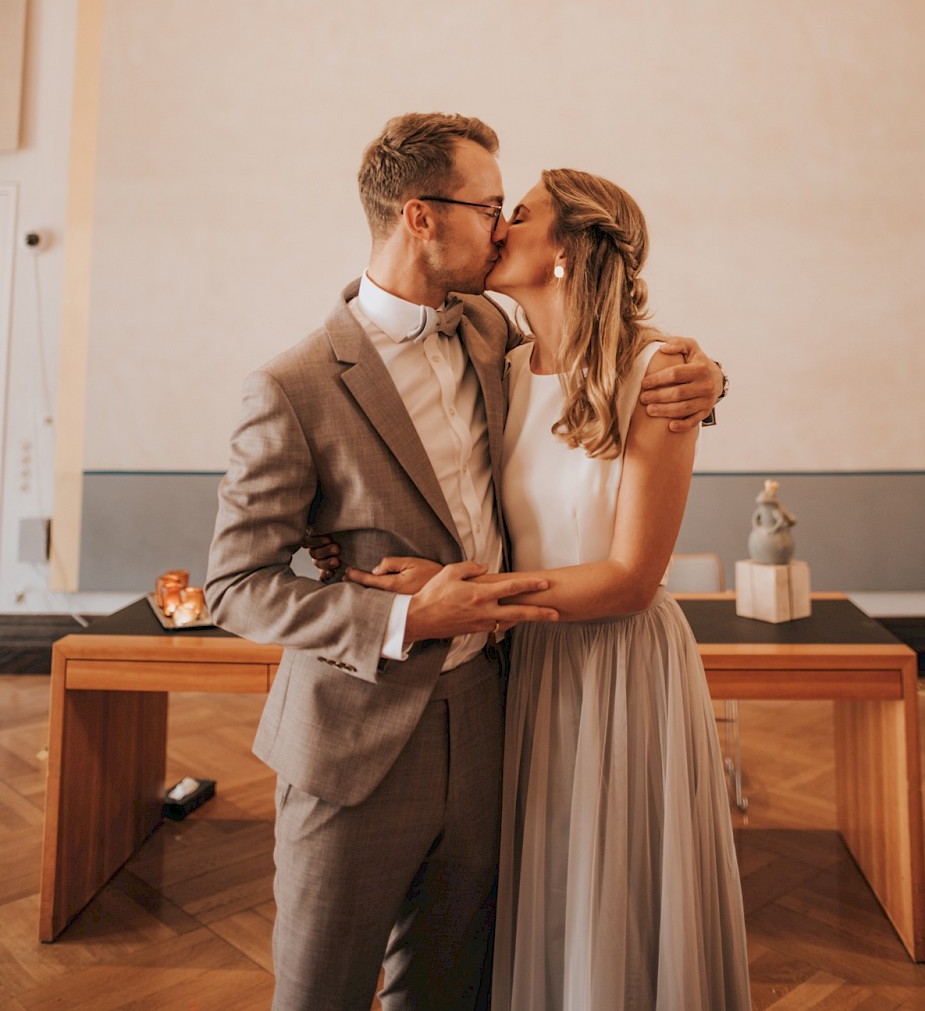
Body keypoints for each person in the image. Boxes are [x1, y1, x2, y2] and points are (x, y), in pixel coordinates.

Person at [205, 113, 724, 1011]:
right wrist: (400, 615)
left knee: (453, 987)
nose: (498, 224)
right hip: (355, 734)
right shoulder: (293, 384)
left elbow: (612, 369)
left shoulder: (493, 335)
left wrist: (709, 378)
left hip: (496, 715)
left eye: (510, 209)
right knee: (319, 989)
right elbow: (233, 585)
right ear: (420, 215)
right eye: (490, 205)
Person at [340, 167, 751, 1010]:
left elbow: (632, 579)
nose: (496, 228)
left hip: (620, 667)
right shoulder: (501, 357)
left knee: (619, 888)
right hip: (525, 667)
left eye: (517, 216)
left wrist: (469, 593)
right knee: (548, 891)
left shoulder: (657, 370)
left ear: (564, 247)